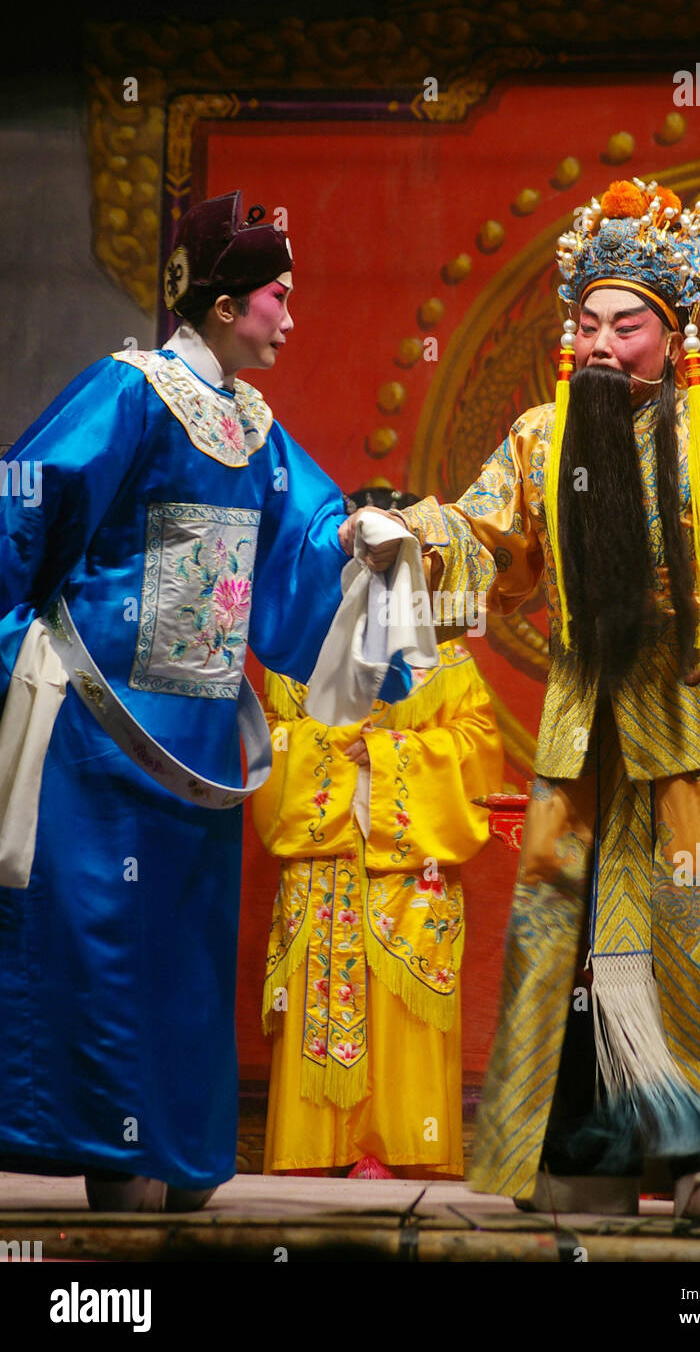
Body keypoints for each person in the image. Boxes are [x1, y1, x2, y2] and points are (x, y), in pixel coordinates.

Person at [345, 178, 700, 1216]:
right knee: (570, 941)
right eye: (587, 323)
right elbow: (480, 535)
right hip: (584, 741)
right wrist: (406, 535)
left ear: (673, 336)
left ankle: (698, 1152)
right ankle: (589, 1149)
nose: (601, 345)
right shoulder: (543, 439)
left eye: (628, 326)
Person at [0, 191, 367, 1212]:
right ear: (219, 305)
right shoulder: (129, 390)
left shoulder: (254, 425)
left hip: (199, 725)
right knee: (105, 934)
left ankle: (186, 1150)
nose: (290, 321)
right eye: (276, 299)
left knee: (185, 946)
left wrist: (355, 542)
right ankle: (116, 1151)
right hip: (103, 720)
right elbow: (23, 496)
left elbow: (306, 527)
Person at [252, 488, 503, 1177]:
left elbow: (479, 747)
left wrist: (391, 757)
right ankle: (314, 1155)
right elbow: (269, 744)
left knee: (404, 1014)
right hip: (322, 868)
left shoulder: (443, 655)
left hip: (408, 877)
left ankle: (401, 1155)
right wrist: (332, 746)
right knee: (316, 1011)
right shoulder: (293, 653)